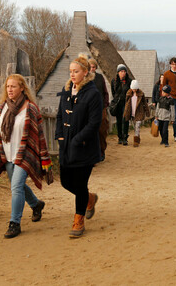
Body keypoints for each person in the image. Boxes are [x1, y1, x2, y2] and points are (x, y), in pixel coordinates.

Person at [0, 74, 52, 239]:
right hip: (7, 153)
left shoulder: (30, 108)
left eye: (13, 86)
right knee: (16, 185)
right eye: (8, 87)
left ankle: (14, 223)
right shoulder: (2, 108)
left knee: (16, 187)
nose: (10, 89)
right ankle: (36, 204)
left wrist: (45, 157)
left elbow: (39, 135)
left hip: (25, 153)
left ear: (22, 88)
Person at [56, 54, 102, 238]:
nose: (72, 75)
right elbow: (60, 115)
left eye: (76, 71)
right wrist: (59, 136)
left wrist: (77, 140)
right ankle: (89, 198)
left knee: (80, 184)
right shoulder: (66, 90)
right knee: (66, 181)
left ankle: (78, 220)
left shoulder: (93, 94)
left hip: (84, 147)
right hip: (65, 146)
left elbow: (94, 123)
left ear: (85, 72)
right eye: (70, 72)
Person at [89, 58, 109, 161]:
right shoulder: (86, 78)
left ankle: (102, 151)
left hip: (101, 108)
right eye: (90, 67)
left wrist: (105, 104)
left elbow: (105, 92)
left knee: (102, 130)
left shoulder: (100, 78)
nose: (92, 69)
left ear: (95, 68)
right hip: (90, 109)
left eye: (93, 67)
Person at [162, 57, 176, 142]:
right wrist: (165, 95)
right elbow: (164, 86)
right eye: (172, 64)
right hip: (172, 97)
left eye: (175, 64)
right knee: (175, 117)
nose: (174, 66)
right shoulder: (166, 74)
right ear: (170, 64)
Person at [123, 80, 150, 147]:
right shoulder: (128, 94)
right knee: (134, 127)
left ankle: (136, 142)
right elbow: (126, 104)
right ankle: (137, 137)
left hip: (139, 112)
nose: (134, 90)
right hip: (131, 112)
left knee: (137, 126)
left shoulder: (141, 94)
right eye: (133, 88)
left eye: (135, 88)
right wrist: (125, 112)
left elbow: (145, 103)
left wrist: (147, 112)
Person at [111, 64, 132, 145]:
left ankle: (125, 138)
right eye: (121, 71)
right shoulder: (114, 81)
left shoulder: (129, 81)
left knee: (125, 119)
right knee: (119, 120)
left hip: (126, 103)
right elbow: (113, 92)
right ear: (118, 72)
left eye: (124, 71)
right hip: (117, 103)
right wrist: (116, 100)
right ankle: (120, 137)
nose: (123, 73)